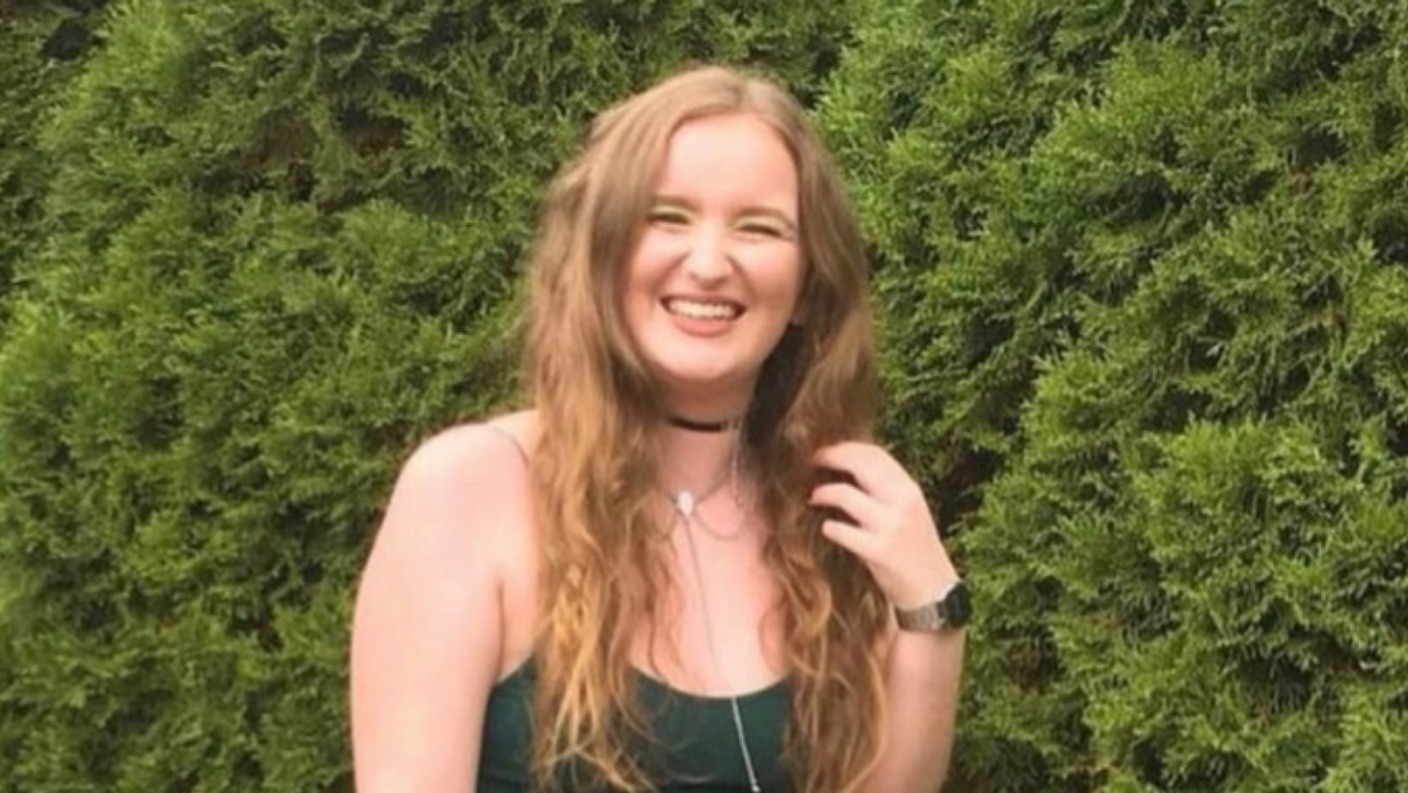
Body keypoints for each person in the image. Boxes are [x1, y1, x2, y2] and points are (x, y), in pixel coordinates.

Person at [349, 64, 967, 793]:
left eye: (758, 227)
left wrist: (933, 610)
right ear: (602, 253)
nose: (708, 263)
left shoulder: (834, 520)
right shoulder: (467, 490)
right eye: (666, 217)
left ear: (808, 286)